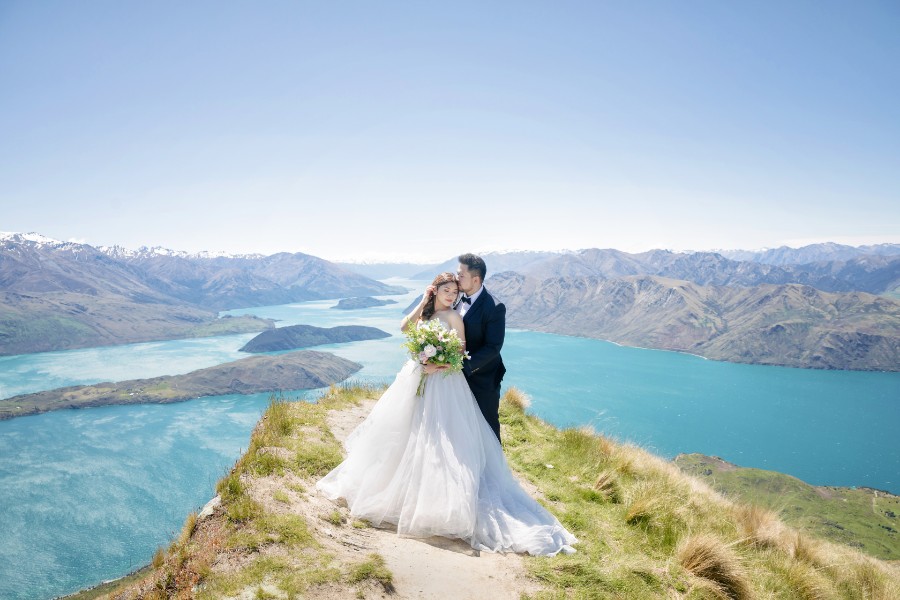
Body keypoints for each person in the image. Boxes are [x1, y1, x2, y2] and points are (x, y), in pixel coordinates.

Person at [316, 272, 576, 556]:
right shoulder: (426, 312)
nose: (451, 296)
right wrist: (423, 301)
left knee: (439, 440)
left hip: (444, 384)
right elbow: (405, 327)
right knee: (406, 434)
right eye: (446, 291)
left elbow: (460, 355)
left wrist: (436, 366)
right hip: (415, 379)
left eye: (455, 291)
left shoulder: (454, 318)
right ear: (435, 290)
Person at [455, 253, 506, 443]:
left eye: (461, 275)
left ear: (475, 279)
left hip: (483, 378)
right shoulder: (457, 297)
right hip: (456, 377)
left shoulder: (495, 307)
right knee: (462, 423)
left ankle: (494, 469)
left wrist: (462, 365)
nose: (456, 278)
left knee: (488, 424)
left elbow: (493, 347)